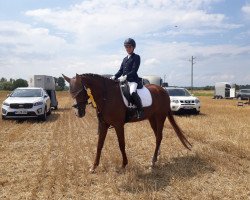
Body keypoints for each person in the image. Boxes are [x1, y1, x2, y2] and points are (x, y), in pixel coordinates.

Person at [111, 38, 144, 118]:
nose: (127, 48)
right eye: (126, 47)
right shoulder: (125, 59)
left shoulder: (136, 57)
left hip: (133, 80)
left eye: (129, 47)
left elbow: (134, 70)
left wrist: (126, 76)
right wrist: (115, 76)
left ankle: (140, 110)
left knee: (132, 92)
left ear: (133, 47)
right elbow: (120, 71)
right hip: (124, 81)